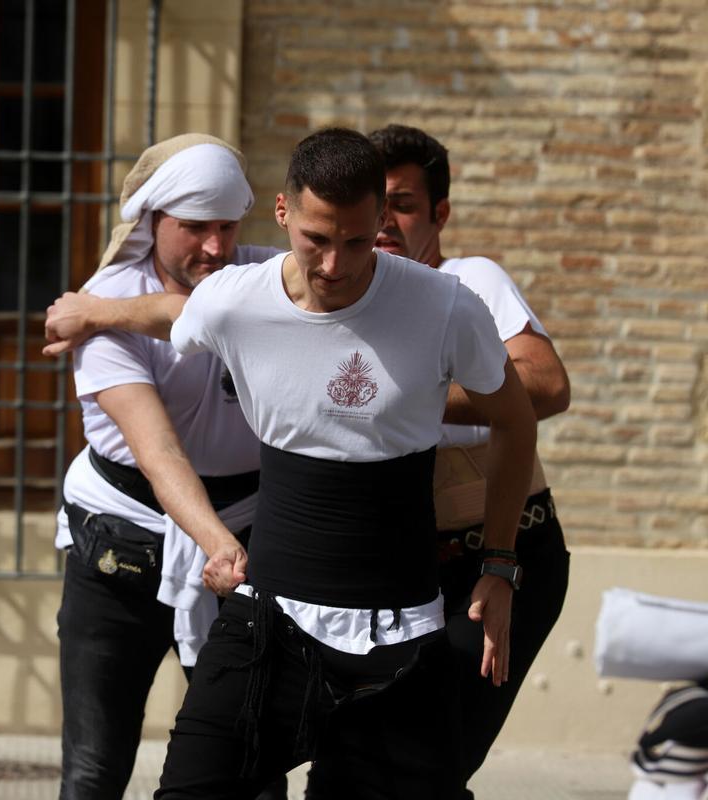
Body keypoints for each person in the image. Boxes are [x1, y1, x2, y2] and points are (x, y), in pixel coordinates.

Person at [45, 127, 538, 798]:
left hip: (400, 641)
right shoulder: (238, 298)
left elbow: (514, 417)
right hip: (267, 626)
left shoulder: (445, 306)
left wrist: (500, 565)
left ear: (381, 223)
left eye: (358, 241)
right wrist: (95, 312)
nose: (336, 266)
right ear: (284, 215)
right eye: (317, 241)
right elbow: (174, 315)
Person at [48, 133, 284, 800]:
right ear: (153, 221)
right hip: (120, 551)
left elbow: (220, 311)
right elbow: (159, 451)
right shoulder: (104, 298)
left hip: (244, 534)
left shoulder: (261, 277)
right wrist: (220, 546)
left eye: (227, 226)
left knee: (254, 762)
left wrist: (102, 314)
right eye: (194, 228)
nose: (214, 247)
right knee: (94, 768)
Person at [370, 123, 572, 798]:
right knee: (376, 756)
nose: (384, 220)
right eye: (375, 201)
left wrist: (411, 397)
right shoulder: (339, 292)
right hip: (397, 565)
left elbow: (545, 383)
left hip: (504, 555)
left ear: (439, 215)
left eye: (402, 203)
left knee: (430, 760)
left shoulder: (469, 280)